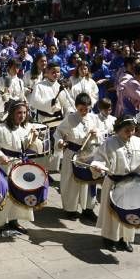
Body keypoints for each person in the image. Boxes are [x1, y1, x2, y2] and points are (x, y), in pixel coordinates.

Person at [90, 116, 140, 252]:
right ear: (118, 129)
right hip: (115, 182)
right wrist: (97, 166)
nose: (131, 133)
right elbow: (99, 159)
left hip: (132, 184)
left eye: (133, 130)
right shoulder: (109, 143)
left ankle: (125, 239)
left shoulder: (138, 142)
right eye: (127, 130)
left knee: (129, 210)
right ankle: (109, 239)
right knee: (112, 213)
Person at [0, 99, 43, 233]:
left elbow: (35, 148)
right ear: (12, 113)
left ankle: (14, 220)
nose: (22, 116)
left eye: (24, 113)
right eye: (19, 113)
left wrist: (35, 139)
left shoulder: (27, 128)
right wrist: (0, 155)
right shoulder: (1, 129)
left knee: (18, 194)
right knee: (5, 194)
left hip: (20, 166)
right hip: (5, 166)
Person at [55, 93, 103, 222]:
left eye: (86, 109)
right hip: (73, 153)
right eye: (81, 109)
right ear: (76, 107)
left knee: (89, 182)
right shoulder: (70, 119)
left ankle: (88, 208)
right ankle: (70, 209)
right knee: (71, 182)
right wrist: (60, 142)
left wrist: (96, 134)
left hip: (89, 154)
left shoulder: (93, 118)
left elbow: (101, 134)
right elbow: (58, 132)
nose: (84, 112)